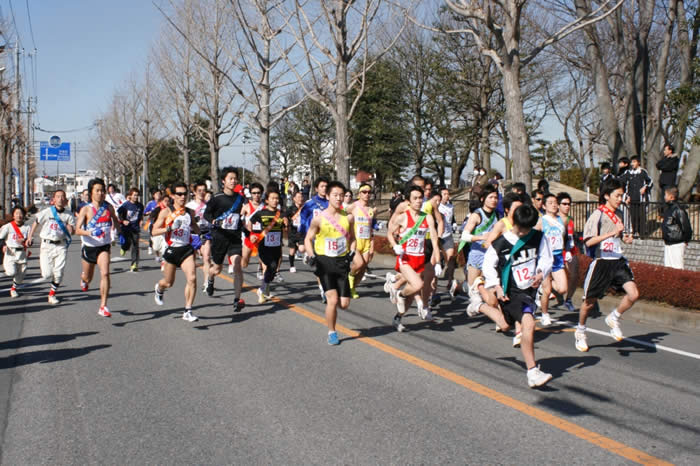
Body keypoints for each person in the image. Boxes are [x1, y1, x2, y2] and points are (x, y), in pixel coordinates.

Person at [482, 203, 554, 388]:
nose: (523, 233)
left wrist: (540, 273)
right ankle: (532, 371)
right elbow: (488, 265)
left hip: (528, 290)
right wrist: (495, 285)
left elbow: (546, 258)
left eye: (527, 229)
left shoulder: (538, 237)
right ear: (513, 222)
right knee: (528, 323)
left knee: (505, 325)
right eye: (520, 228)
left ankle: (479, 306)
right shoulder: (500, 244)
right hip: (509, 292)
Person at [576, 178, 637, 352]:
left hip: (617, 260)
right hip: (602, 262)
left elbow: (618, 237)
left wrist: (625, 239)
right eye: (617, 195)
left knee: (634, 294)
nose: (620, 199)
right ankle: (580, 330)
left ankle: (614, 317)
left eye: (621, 195)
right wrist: (611, 233)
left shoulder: (619, 214)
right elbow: (588, 242)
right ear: (606, 196)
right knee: (588, 302)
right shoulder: (598, 215)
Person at [303, 181, 356, 345]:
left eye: (341, 195)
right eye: (335, 195)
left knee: (344, 304)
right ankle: (332, 332)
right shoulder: (318, 219)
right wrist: (312, 256)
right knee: (332, 300)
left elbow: (353, 239)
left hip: (342, 263)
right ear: (328, 196)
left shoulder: (348, 217)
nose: (339, 198)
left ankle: (334, 316)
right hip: (324, 262)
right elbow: (308, 239)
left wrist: (352, 253)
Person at [387, 185, 440, 332]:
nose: (418, 201)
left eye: (420, 198)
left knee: (409, 299)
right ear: (408, 201)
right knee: (418, 285)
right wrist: (394, 245)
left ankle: (398, 317)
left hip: (419, 259)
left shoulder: (427, 217)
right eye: (415, 198)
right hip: (405, 258)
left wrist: (438, 262)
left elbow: (435, 240)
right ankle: (400, 293)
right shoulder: (403, 217)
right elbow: (389, 233)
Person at [152, 182, 201, 322]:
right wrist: (168, 228)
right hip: (171, 250)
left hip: (186, 249)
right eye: (179, 194)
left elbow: (195, 227)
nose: (182, 196)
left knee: (192, 278)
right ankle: (159, 289)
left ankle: (188, 310)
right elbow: (154, 231)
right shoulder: (166, 212)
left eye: (185, 194)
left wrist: (202, 233)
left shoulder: (190, 212)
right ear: (173, 195)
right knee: (168, 282)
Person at [75, 178, 122, 317]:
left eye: (102, 190)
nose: (101, 193)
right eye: (97, 191)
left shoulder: (108, 207)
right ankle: (84, 279)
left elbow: (115, 220)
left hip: (104, 246)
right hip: (89, 247)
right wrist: (90, 232)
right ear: (91, 193)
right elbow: (77, 230)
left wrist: (120, 233)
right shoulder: (86, 209)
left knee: (105, 273)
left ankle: (103, 306)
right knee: (88, 278)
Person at [203, 167, 246, 312]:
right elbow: (206, 215)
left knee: (237, 266)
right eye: (230, 178)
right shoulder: (217, 198)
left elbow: (242, 215)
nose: (233, 181)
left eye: (235, 178)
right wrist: (214, 221)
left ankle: (236, 299)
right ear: (224, 181)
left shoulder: (240, 199)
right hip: (220, 238)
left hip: (234, 238)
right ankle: (210, 278)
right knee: (217, 269)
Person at [458, 184, 501, 316]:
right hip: (477, 255)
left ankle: (497, 315)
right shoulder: (477, 215)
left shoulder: (498, 215)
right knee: (473, 290)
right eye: (490, 197)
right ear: (483, 199)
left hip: (491, 256)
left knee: (489, 287)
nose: (494, 200)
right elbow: (464, 236)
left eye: (496, 197)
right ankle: (460, 288)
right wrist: (482, 237)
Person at [27, 190, 76, 304]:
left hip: (61, 245)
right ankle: (52, 279)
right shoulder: (47, 212)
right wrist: (30, 237)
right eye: (58, 196)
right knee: (46, 274)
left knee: (59, 273)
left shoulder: (69, 214)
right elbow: (36, 222)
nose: (60, 199)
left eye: (62, 197)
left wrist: (71, 229)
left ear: (65, 200)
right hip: (46, 245)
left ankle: (52, 295)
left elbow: (72, 231)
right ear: (54, 199)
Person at [248, 188, 287, 303]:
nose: (275, 201)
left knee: (273, 269)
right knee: (271, 266)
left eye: (277, 198)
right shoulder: (261, 213)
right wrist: (251, 235)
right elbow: (248, 224)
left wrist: (286, 226)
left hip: (276, 246)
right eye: (272, 198)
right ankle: (262, 289)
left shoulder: (282, 214)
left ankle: (264, 289)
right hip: (264, 246)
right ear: (267, 200)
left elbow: (285, 232)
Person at [535, 193, 566, 326]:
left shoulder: (561, 220)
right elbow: (533, 238)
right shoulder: (541, 221)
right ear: (544, 206)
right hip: (545, 258)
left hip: (558, 257)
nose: (554, 205)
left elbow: (564, 237)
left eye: (555, 202)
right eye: (550, 203)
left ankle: (540, 289)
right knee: (547, 291)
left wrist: (568, 250)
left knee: (562, 289)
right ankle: (545, 314)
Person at [298, 177, 330, 302]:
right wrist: (303, 238)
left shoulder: (331, 203)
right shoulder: (310, 203)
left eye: (326, 186)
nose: (324, 188)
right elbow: (303, 220)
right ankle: (323, 290)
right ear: (316, 188)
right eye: (322, 186)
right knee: (320, 266)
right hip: (314, 239)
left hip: (329, 239)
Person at [348, 183, 376, 299]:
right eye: (364, 192)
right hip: (355, 241)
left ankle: (352, 288)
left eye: (369, 192)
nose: (367, 194)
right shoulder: (353, 206)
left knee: (363, 267)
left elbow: (371, 229)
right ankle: (349, 276)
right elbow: (340, 215)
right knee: (358, 264)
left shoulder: (371, 210)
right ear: (359, 194)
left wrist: (372, 244)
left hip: (366, 242)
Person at [186, 182, 214, 291]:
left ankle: (206, 282)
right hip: (192, 234)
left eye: (204, 190)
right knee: (191, 261)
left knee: (206, 257)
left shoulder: (209, 205)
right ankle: (192, 280)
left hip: (205, 232)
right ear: (194, 192)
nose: (202, 193)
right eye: (199, 191)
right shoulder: (189, 206)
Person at [0, 207, 31, 298]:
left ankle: (13, 289)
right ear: (13, 215)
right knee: (11, 272)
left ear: (24, 215)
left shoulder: (27, 227)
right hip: (11, 253)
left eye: (21, 213)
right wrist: (3, 246)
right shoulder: (8, 226)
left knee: (20, 277)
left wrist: (25, 240)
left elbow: (30, 241)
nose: (19, 215)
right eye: (17, 213)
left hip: (22, 254)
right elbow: (1, 238)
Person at [620, 155, 653, 236]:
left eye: (634, 162)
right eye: (631, 162)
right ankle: (634, 232)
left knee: (641, 217)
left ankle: (642, 233)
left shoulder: (643, 172)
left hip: (641, 199)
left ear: (638, 163)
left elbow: (650, 182)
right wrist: (626, 196)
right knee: (633, 217)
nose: (632, 164)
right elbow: (621, 181)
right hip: (631, 199)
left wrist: (645, 187)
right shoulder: (628, 173)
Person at [557, 192, 579, 312]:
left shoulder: (571, 219)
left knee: (574, 274)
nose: (567, 206)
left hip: (570, 249)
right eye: (564, 204)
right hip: (558, 250)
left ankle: (568, 299)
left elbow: (571, 235)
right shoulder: (554, 219)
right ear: (558, 205)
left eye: (569, 204)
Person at [662, 186, 692, 269]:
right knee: (668, 268)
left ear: (671, 197)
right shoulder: (669, 209)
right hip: (668, 243)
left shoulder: (678, 210)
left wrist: (686, 240)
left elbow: (686, 227)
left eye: (666, 195)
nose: (664, 197)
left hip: (677, 244)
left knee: (678, 268)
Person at [117, 188, 144, 272]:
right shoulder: (126, 205)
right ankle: (124, 248)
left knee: (135, 246)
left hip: (135, 228)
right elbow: (119, 214)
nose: (136, 197)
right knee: (127, 243)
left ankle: (134, 264)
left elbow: (140, 216)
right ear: (130, 196)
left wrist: (141, 221)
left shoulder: (140, 206)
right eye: (134, 195)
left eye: (137, 195)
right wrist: (123, 220)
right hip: (126, 228)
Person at [240, 182, 265, 274]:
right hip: (249, 235)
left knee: (264, 257)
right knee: (244, 263)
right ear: (250, 194)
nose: (256, 195)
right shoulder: (246, 207)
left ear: (261, 193)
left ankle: (261, 268)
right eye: (254, 193)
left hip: (262, 235)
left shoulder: (265, 207)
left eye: (258, 193)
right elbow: (240, 221)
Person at [438, 186, 457, 291]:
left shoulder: (451, 206)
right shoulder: (437, 206)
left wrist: (454, 223)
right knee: (436, 260)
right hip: (438, 236)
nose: (447, 196)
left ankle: (450, 281)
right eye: (444, 194)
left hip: (448, 235)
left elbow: (452, 217)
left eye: (447, 194)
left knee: (450, 258)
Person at [286, 190, 305, 273]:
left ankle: (301, 251)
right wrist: (286, 221)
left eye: (301, 197)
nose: (300, 199)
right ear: (294, 199)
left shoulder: (305, 208)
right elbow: (285, 216)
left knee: (302, 249)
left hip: (302, 232)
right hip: (293, 232)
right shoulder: (290, 209)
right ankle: (292, 265)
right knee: (292, 250)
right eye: (298, 197)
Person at [144, 189, 162, 255]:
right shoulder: (150, 203)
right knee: (152, 236)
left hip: (161, 223)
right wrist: (150, 212)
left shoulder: (163, 203)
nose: (158, 195)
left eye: (159, 194)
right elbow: (144, 213)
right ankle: (150, 247)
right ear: (153, 195)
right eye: (157, 194)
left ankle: (160, 252)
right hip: (152, 222)